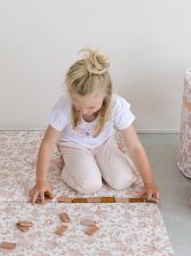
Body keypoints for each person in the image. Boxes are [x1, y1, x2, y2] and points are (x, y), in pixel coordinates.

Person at [29, 48, 160, 204]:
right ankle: (66, 164)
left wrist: (149, 183)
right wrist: (41, 181)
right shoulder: (64, 105)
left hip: (104, 143)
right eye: (78, 105)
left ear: (106, 96)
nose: (84, 111)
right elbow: (48, 144)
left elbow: (134, 146)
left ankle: (101, 161)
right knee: (90, 185)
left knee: (123, 181)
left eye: (91, 107)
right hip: (73, 145)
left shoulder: (116, 105)